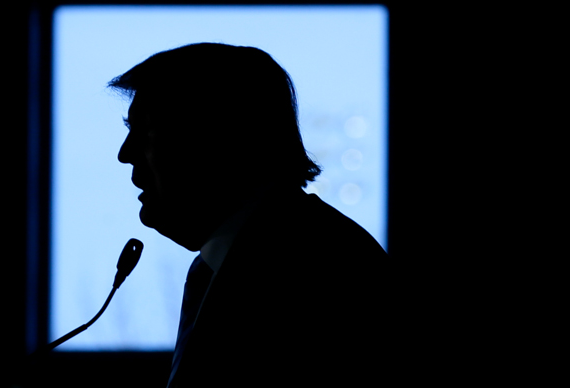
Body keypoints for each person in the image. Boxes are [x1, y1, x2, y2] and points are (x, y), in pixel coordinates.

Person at [111, 43, 392, 387]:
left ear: (216, 138)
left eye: (146, 132)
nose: (125, 154)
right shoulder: (271, 249)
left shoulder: (318, 268)